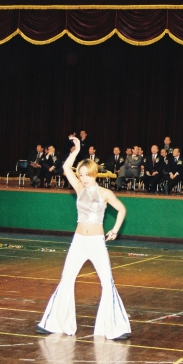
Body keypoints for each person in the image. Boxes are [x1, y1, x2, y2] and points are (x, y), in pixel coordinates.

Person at [37, 135, 131, 340]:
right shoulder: (79, 188)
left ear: (94, 173)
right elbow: (65, 168)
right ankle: (55, 323)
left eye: (87, 174)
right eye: (81, 174)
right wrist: (77, 149)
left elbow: (121, 209)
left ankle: (115, 328)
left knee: (107, 282)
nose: (84, 178)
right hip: (78, 242)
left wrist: (115, 229)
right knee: (66, 279)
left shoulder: (105, 193)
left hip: (97, 243)